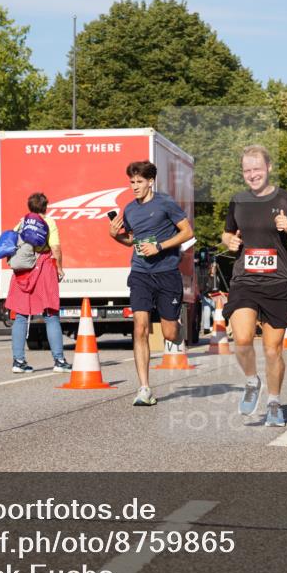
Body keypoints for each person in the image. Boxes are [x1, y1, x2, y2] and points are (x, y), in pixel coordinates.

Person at [222, 145, 287, 427]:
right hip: (244, 279)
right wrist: (229, 242)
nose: (252, 175)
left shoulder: (286, 199)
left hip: (277, 281)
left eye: (257, 169)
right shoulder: (237, 200)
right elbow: (227, 232)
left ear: (269, 167)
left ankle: (274, 402)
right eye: (247, 170)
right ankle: (251, 380)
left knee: (273, 350)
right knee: (243, 339)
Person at [109, 161, 193, 405]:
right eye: (132, 182)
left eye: (139, 182)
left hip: (167, 272)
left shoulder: (165, 203)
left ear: (150, 182)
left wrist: (160, 246)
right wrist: (116, 236)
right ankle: (144, 388)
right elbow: (133, 241)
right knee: (140, 327)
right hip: (140, 273)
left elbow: (187, 232)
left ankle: (177, 324)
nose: (135, 186)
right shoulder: (129, 209)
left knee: (170, 332)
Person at [8, 193, 72, 373]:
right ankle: (59, 361)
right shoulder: (49, 223)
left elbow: (12, 243)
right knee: (50, 314)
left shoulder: (22, 222)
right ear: (45, 207)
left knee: (21, 315)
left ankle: (18, 361)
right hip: (43, 268)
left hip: (23, 271)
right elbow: (56, 248)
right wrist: (59, 267)